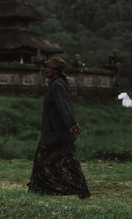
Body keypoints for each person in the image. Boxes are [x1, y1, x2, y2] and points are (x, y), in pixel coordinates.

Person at [28, 57, 92, 199]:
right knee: (45, 163)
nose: (44, 70)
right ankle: (39, 190)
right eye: (44, 67)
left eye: (48, 67)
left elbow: (64, 106)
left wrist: (72, 124)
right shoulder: (56, 84)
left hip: (58, 134)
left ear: (56, 70)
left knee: (68, 164)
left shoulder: (57, 85)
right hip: (53, 132)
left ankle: (83, 193)